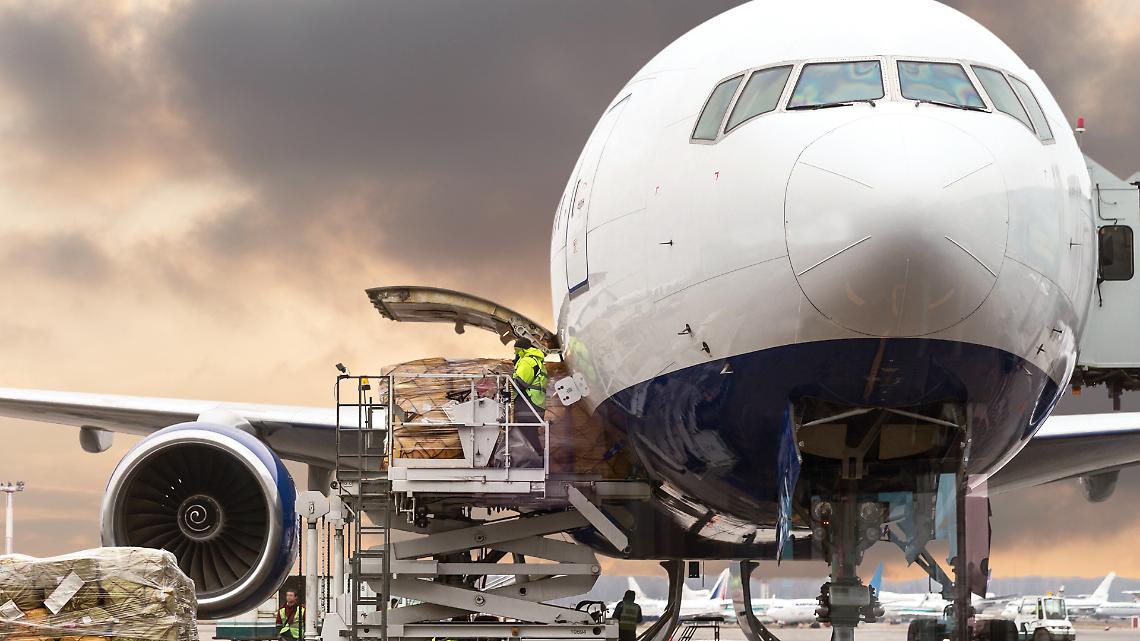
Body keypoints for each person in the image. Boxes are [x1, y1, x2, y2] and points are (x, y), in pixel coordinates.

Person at [511, 337, 548, 454]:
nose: (514, 353)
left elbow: (520, 382)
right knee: (530, 435)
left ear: (521, 349)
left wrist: (505, 384)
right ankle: (536, 459)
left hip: (528, 405)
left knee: (526, 435)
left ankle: (535, 460)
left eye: (516, 350)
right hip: (536, 405)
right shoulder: (537, 361)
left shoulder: (527, 361)